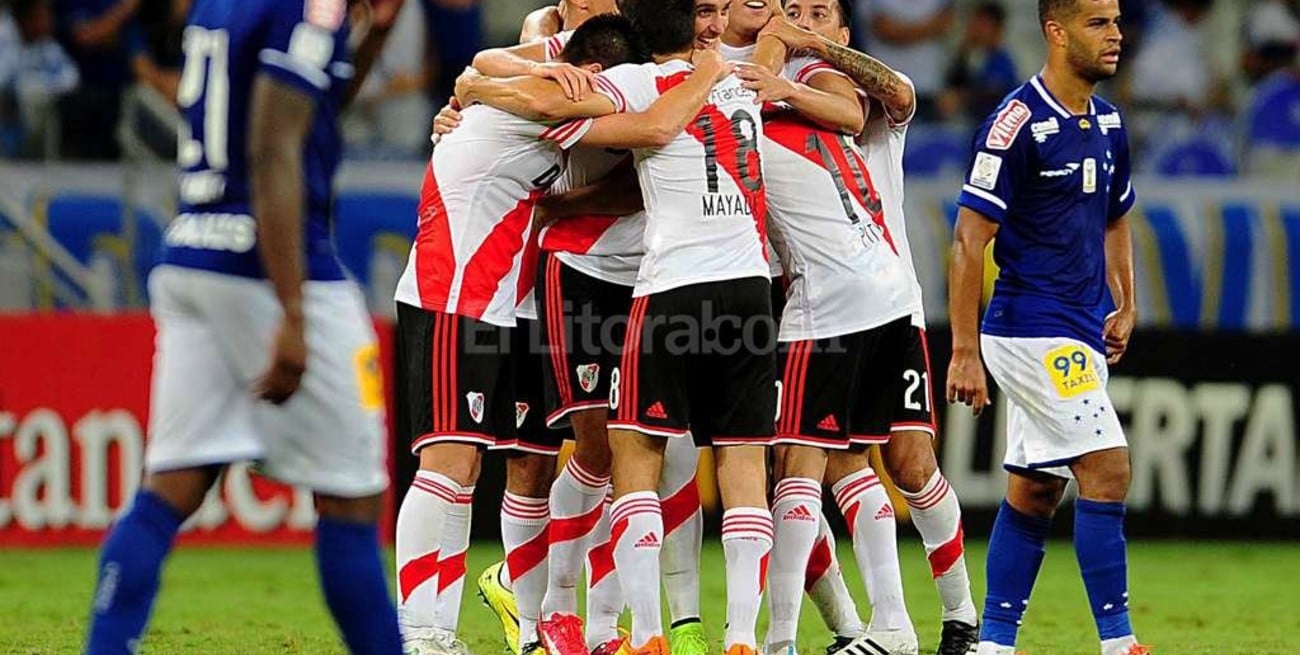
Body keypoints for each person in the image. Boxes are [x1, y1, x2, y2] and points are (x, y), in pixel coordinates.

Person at [81, 1, 407, 653]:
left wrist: (376, 33)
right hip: (274, 264)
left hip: (192, 251)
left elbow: (312, 110)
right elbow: (273, 141)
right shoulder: (311, 4)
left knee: (170, 486)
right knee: (351, 500)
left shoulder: (221, 4)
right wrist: (290, 310)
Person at [397, 12, 727, 655]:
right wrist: (473, 87)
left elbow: (494, 69)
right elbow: (505, 72)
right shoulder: (561, 81)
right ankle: (416, 629)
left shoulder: (561, 85)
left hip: (505, 299)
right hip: (453, 287)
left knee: (477, 467)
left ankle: (463, 628)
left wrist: (473, 86)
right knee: (447, 462)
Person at [457, 1, 776, 653]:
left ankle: (614, 626)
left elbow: (650, 143)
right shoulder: (609, 54)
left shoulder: (701, 76)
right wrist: (478, 86)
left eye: (721, 12)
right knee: (603, 451)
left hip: (658, 276)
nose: (715, 25)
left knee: (644, 457)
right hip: (585, 266)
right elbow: (503, 67)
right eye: (705, 13)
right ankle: (555, 607)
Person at [760, 5, 982, 653]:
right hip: (796, 294)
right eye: (791, 10)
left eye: (818, 13)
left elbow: (901, 92)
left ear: (843, 31)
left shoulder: (860, 95)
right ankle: (868, 626)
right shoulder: (769, 92)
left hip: (885, 300)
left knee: (909, 462)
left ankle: (961, 616)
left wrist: (804, 48)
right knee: (820, 462)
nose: (803, 20)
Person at [945, 1, 1147, 654]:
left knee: (1035, 489)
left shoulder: (1110, 122)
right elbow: (968, 242)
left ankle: (995, 643)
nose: (1115, 33)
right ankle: (1120, 642)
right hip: (1029, 328)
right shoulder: (1016, 122)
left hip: (1080, 326)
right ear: (1056, 33)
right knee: (1109, 469)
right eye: (1098, 23)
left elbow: (1115, 216)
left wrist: (1126, 300)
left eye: (1116, 20)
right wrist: (963, 351)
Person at [939, 1, 1019, 124]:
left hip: (997, 123)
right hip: (970, 121)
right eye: (974, 23)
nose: (977, 29)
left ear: (996, 29)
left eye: (983, 25)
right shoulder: (967, 56)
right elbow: (953, 82)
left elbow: (992, 90)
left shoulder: (1002, 60)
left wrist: (961, 97)